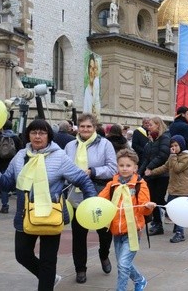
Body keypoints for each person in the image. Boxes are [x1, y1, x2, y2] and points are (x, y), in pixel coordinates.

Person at [0, 119, 97, 291]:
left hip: (50, 215)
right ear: (28, 135)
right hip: (25, 215)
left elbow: (82, 179)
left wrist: (91, 201)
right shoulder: (20, 156)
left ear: (48, 136)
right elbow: (7, 184)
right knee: (22, 255)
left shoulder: (59, 156)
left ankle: (46, 282)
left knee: (48, 261)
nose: (38, 136)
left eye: (42, 133)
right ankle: (50, 278)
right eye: (34, 132)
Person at [64, 113, 117, 284]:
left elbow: (112, 168)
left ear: (95, 128)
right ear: (77, 128)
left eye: (89, 126)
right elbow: (63, 167)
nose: (85, 129)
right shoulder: (70, 146)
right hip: (76, 196)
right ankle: (80, 269)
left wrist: (92, 171)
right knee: (79, 236)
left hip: (99, 194)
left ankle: (104, 255)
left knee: (104, 232)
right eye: (82, 126)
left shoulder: (105, 144)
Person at [98, 149, 155, 291]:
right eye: (121, 165)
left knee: (123, 265)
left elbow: (143, 208)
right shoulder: (112, 184)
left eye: (128, 166)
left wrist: (148, 207)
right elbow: (100, 201)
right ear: (117, 166)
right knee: (123, 263)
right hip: (116, 232)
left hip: (133, 231)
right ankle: (139, 279)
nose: (124, 168)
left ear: (135, 168)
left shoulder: (140, 184)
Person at [149, 135, 188, 243]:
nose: (174, 148)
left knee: (178, 211)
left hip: (182, 189)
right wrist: (151, 172)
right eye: (172, 146)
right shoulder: (172, 157)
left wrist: (173, 156)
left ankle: (180, 233)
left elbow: (177, 169)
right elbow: (165, 167)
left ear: (181, 145)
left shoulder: (186, 157)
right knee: (171, 210)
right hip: (173, 188)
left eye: (176, 145)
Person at [140, 117, 170, 236]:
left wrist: (149, 168)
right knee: (152, 199)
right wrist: (140, 173)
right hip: (151, 174)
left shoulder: (165, 137)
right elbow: (146, 158)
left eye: (151, 124)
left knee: (158, 199)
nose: (148, 126)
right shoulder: (152, 139)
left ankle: (175, 214)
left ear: (158, 125)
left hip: (161, 174)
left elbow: (163, 155)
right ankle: (157, 223)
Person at [0, 120, 24, 213]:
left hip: (0, 164)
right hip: (13, 164)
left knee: (4, 184)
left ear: (2, 127)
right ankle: (20, 206)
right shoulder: (16, 138)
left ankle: (4, 205)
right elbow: (21, 151)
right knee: (18, 183)